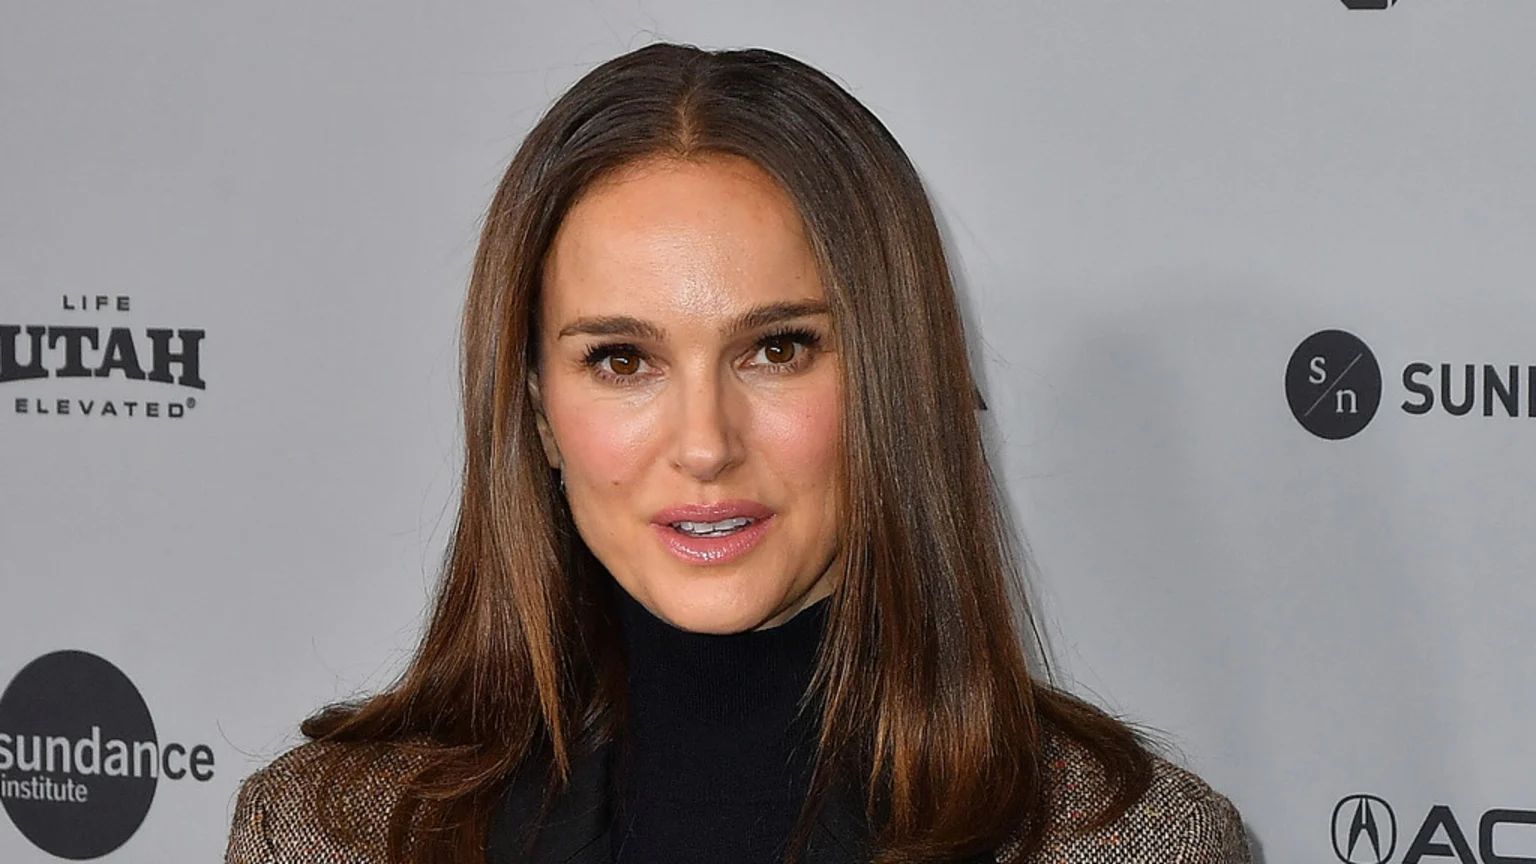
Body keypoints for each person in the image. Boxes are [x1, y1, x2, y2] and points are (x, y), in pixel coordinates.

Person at [225, 42, 1252, 864]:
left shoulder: (1121, 846)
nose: (706, 445)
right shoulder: (329, 835)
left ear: (892, 386)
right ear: (538, 410)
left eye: (777, 349)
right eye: (623, 360)